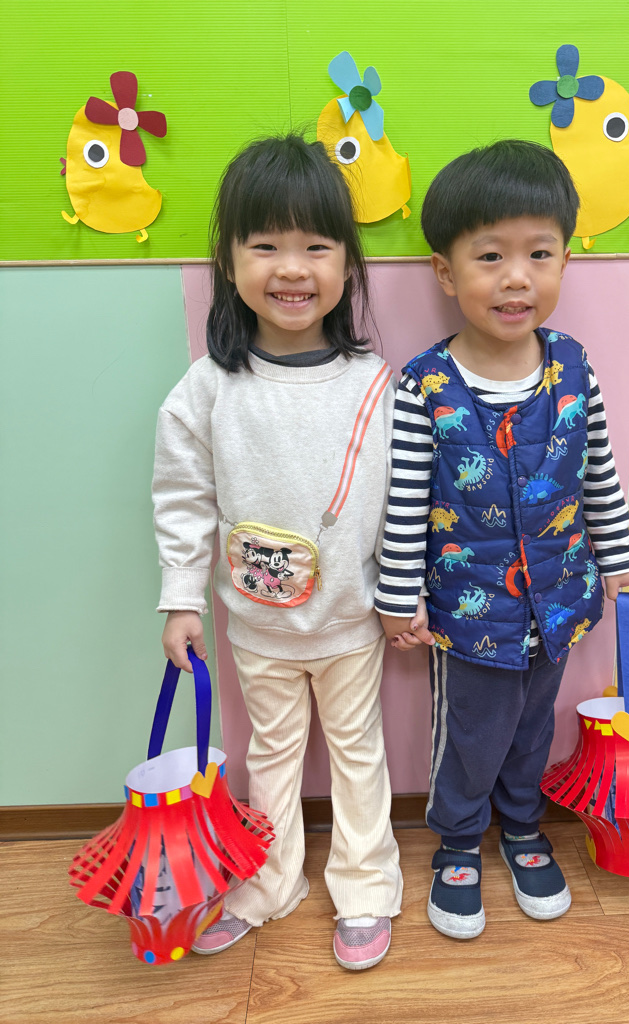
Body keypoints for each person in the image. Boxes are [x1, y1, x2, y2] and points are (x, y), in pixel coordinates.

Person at [374, 139, 629, 940]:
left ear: (567, 260)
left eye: (539, 254)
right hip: (468, 613)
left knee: (535, 726)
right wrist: (397, 596)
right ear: (445, 271)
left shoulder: (574, 368)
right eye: (490, 256)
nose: (516, 278)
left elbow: (599, 477)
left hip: (560, 599)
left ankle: (524, 827)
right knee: (472, 733)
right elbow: (403, 503)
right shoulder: (425, 385)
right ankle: (458, 842)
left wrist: (622, 561)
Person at [153, 135, 402, 970]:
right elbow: (183, 497)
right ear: (229, 262)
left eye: (315, 246)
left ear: (347, 263)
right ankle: (267, 882)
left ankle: (366, 887)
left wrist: (405, 593)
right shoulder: (207, 388)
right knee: (271, 756)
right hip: (256, 628)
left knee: (360, 756)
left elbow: (408, 502)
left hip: (354, 624)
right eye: (265, 245)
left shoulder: (375, 384)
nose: (291, 268)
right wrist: (181, 597)